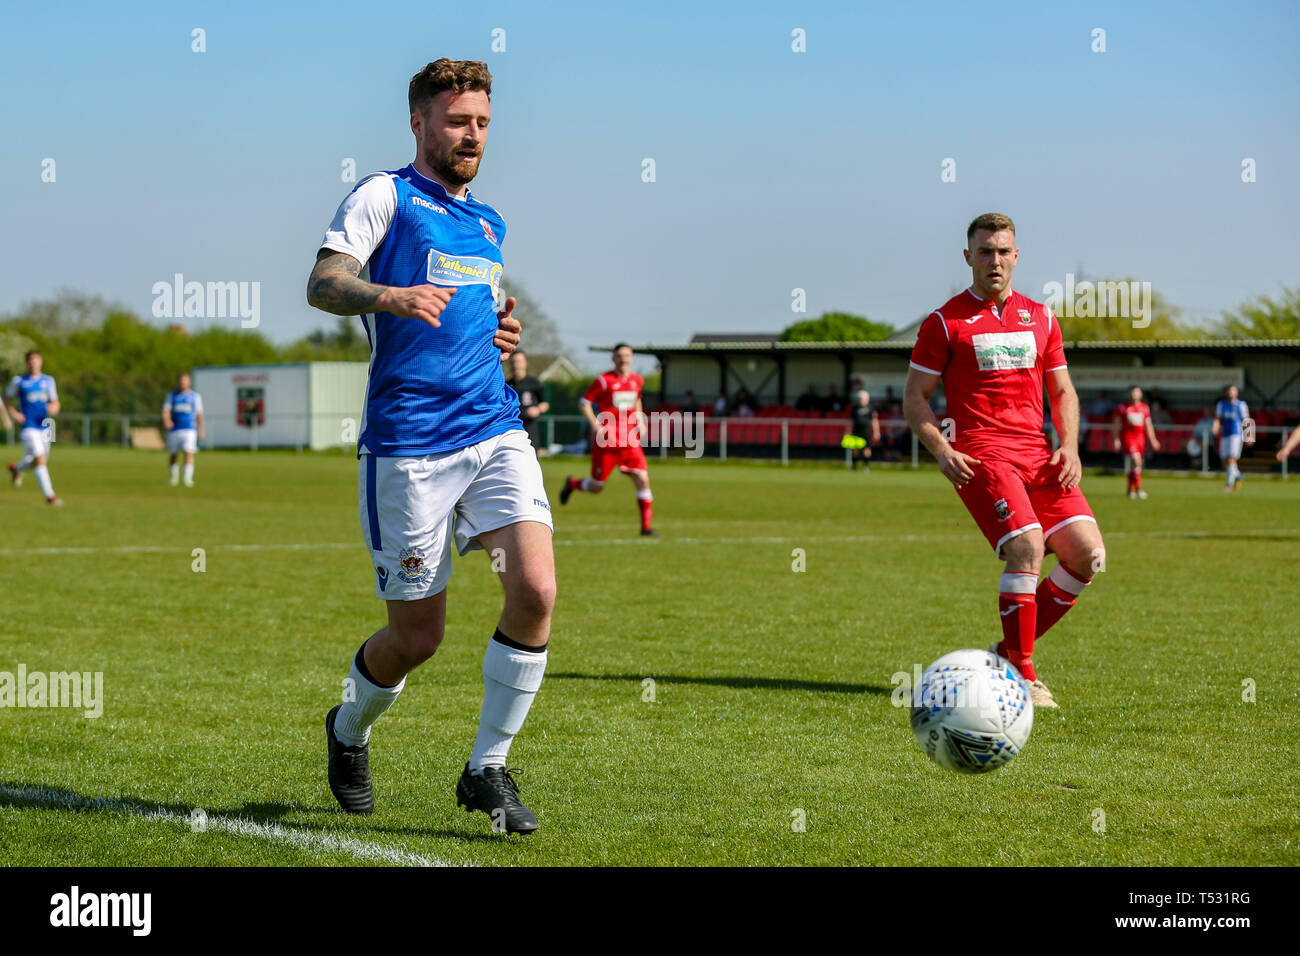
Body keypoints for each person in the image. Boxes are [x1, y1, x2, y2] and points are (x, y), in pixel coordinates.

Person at [306, 58, 553, 834]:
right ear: (419, 123)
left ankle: (487, 769)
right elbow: (323, 282)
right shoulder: (386, 195)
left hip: (494, 427)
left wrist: (502, 334)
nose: (471, 134)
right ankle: (348, 730)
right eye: (457, 121)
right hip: (409, 447)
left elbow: (466, 313)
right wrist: (390, 294)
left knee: (536, 592)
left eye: (481, 121)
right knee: (419, 637)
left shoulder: (489, 223)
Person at [904, 213, 1104, 709]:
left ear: (1017, 256)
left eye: (1003, 251)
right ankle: (1024, 674)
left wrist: (1070, 444)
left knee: (1087, 554)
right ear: (968, 256)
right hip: (983, 457)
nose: (994, 260)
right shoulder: (943, 322)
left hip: (1040, 455)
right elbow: (915, 396)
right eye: (985, 251)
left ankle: (1005, 653)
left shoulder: (1042, 318)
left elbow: (1062, 391)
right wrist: (944, 450)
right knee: (1029, 548)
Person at [560, 343, 657, 536]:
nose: (624, 359)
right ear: (613, 358)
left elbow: (637, 399)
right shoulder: (604, 380)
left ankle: (646, 528)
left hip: (630, 440)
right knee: (597, 487)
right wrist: (596, 425)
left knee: (643, 479)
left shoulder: (637, 380)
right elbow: (584, 403)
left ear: (632, 358)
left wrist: (640, 419)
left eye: (627, 355)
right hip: (608, 441)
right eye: (620, 356)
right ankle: (573, 484)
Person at [6, 350, 63, 505]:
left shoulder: (48, 381)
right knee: (40, 459)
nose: (34, 363)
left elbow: (55, 402)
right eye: (30, 360)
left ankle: (17, 468)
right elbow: (6, 400)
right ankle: (50, 496)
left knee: (39, 461)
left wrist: (54, 408)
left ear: (41, 361)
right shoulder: (19, 381)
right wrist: (14, 414)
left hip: (46, 426)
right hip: (28, 427)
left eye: (36, 359)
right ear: (27, 363)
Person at [1111, 385, 1161, 499]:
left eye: (1137, 392)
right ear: (1130, 394)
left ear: (1140, 394)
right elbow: (1116, 424)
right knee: (1136, 460)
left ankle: (1130, 490)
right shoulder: (1123, 408)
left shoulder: (1145, 408)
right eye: (1133, 392)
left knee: (1136, 465)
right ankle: (1138, 489)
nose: (1134, 394)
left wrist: (1153, 440)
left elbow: (1148, 425)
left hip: (1140, 439)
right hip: (1128, 438)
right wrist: (1116, 439)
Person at [162, 372, 205, 486]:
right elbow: (166, 411)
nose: (183, 382)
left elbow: (199, 414)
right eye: (181, 380)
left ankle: (187, 479)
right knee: (173, 454)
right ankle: (174, 478)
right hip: (175, 429)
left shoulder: (195, 397)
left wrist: (201, 429)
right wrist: (167, 421)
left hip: (190, 429)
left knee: (189, 453)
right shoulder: (172, 396)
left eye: (185, 380)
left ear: (189, 382)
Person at [504, 350, 549, 453]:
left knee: (531, 456)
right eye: (513, 362)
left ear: (525, 363)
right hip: (512, 426)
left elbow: (545, 404)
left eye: (519, 361)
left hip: (530, 427)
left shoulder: (534, 383)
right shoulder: (507, 384)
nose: (516, 365)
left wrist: (537, 409)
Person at [1213, 385, 1252, 492]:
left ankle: (1229, 484)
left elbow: (1246, 419)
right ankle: (1238, 475)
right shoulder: (1221, 405)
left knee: (1231, 458)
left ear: (1237, 393)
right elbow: (1218, 418)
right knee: (1224, 461)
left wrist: (1249, 435)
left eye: (1233, 390)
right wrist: (1215, 427)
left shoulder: (1241, 405)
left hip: (1236, 434)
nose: (1231, 392)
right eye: (1230, 390)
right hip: (1225, 434)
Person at [849, 390, 880, 471]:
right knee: (855, 450)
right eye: (860, 398)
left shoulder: (870, 408)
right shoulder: (855, 408)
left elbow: (874, 421)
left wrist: (876, 432)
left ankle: (866, 467)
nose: (861, 400)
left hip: (866, 432)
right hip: (856, 432)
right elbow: (850, 421)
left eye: (863, 398)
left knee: (867, 449)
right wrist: (847, 431)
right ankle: (854, 467)